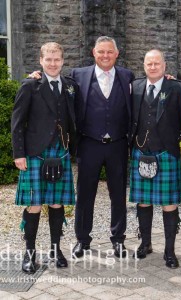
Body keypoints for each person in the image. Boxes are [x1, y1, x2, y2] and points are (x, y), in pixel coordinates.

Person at [11, 42, 78, 274]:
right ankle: (29, 253)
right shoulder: (30, 85)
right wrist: (18, 154)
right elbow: (17, 123)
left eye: (57, 59)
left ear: (62, 60)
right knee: (35, 204)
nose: (52, 63)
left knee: (57, 202)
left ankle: (55, 249)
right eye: (48, 59)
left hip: (60, 152)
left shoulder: (70, 85)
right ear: (40, 60)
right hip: (35, 153)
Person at [71, 36, 134, 259]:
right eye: (101, 52)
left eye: (109, 52)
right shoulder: (78, 76)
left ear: (117, 53)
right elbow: (58, 91)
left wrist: (167, 78)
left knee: (118, 195)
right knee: (85, 195)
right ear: (93, 53)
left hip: (117, 144)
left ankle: (118, 240)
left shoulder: (127, 76)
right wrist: (36, 77)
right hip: (89, 144)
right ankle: (82, 240)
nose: (105, 56)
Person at [129, 49, 181, 268]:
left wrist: (171, 141)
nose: (152, 67)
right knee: (143, 201)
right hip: (141, 152)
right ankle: (145, 244)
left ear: (164, 66)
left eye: (156, 63)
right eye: (148, 63)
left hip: (166, 153)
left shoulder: (178, 88)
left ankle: (170, 251)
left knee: (169, 204)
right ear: (144, 65)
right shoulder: (134, 87)